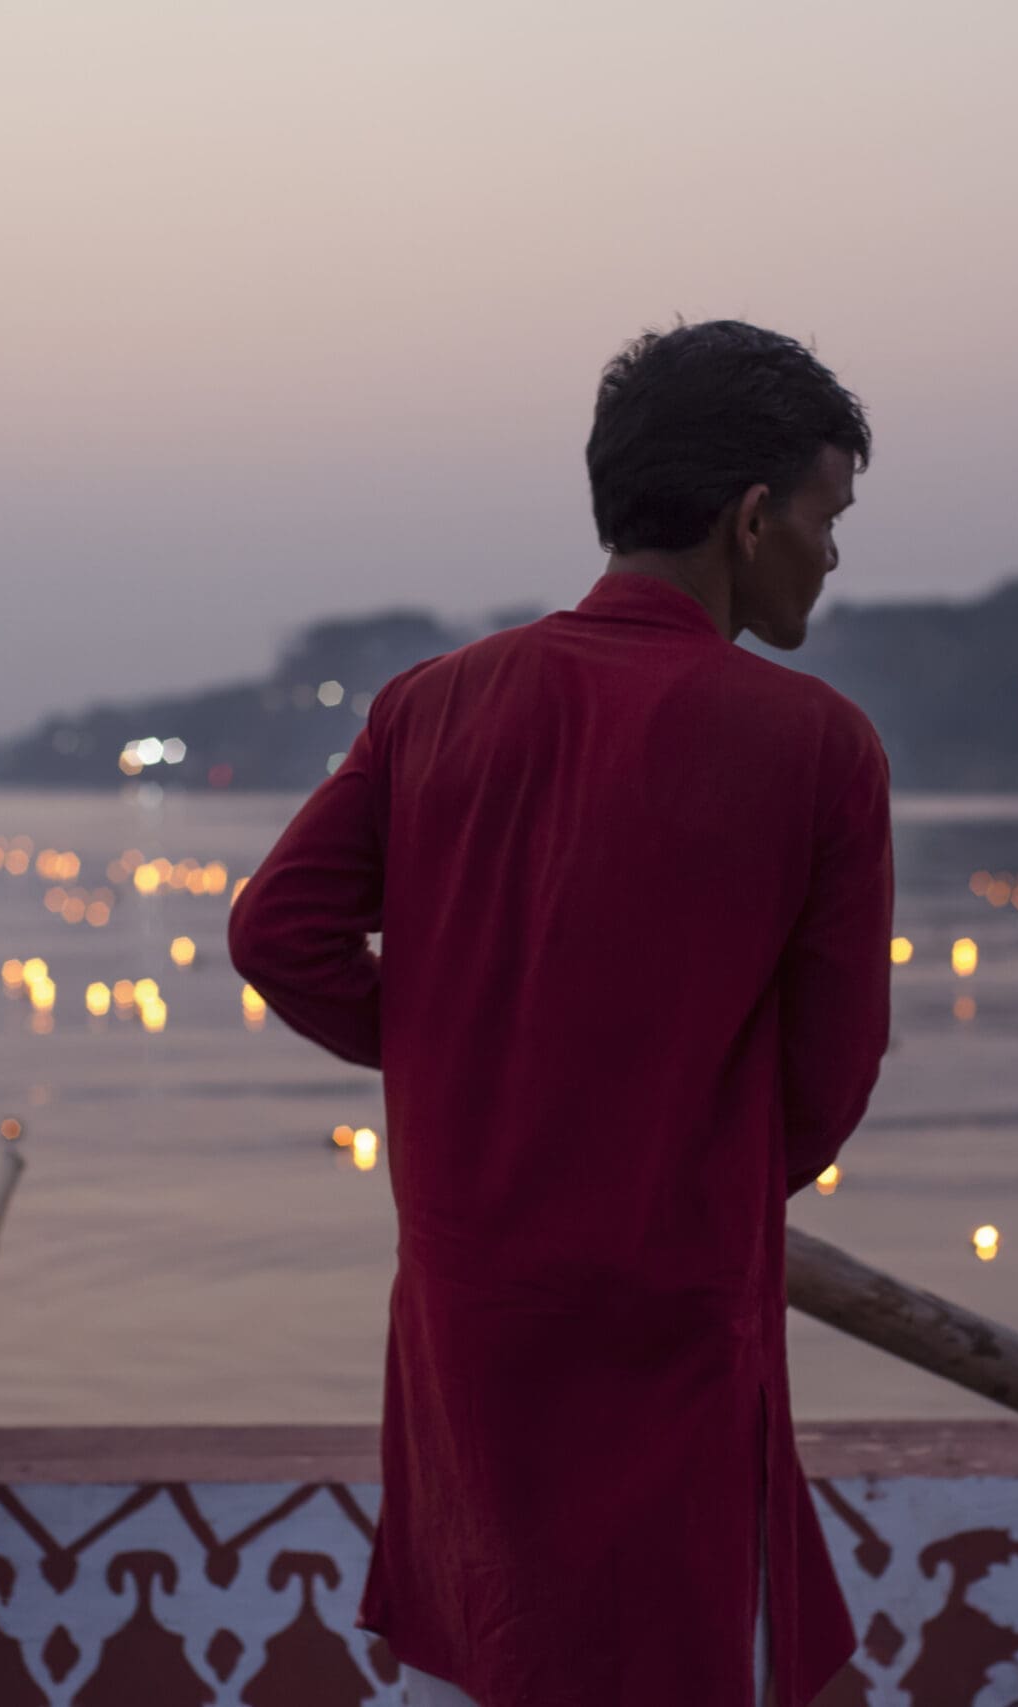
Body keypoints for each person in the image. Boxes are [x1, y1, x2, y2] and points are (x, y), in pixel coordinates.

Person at [228, 318, 894, 1706]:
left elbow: (278, 934)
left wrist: (462, 1056)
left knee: (491, 1649)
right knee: (683, 1650)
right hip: (675, 1320)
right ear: (753, 514)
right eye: (828, 516)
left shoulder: (433, 707)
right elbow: (825, 1090)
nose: (831, 556)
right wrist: (668, 1159)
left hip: (474, 1318)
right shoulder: (816, 746)